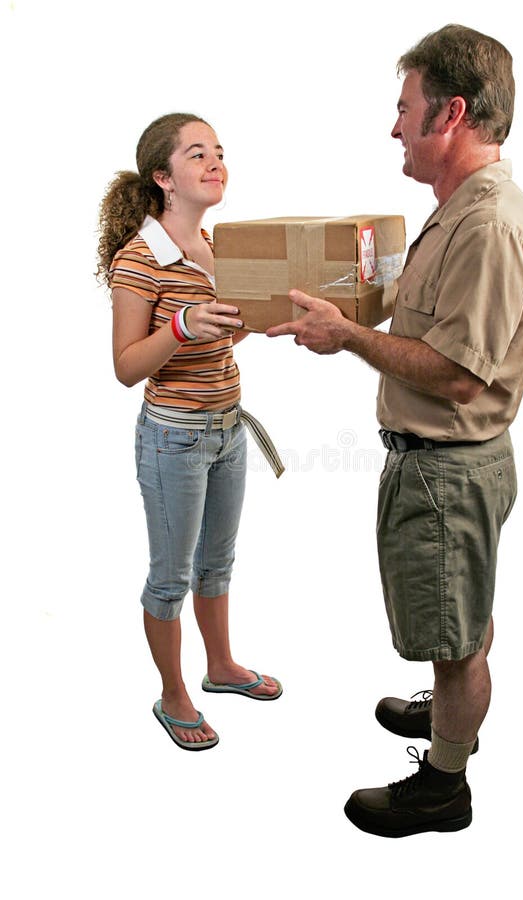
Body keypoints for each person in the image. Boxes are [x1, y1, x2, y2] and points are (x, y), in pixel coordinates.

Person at [267, 25, 523, 835]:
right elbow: (418, 314)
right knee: (461, 614)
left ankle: (444, 787)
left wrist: (349, 337)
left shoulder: (488, 228)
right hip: (444, 467)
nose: (395, 126)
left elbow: (461, 374)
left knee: (458, 639)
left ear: (450, 114)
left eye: (406, 109)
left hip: (447, 472)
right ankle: (447, 715)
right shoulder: (455, 211)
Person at [97, 113, 283, 752]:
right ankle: (173, 695)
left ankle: (221, 666)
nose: (215, 163)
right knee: (170, 577)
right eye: (197, 154)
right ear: (162, 177)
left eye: (220, 153)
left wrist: (251, 322)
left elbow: (224, 338)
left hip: (230, 430)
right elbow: (126, 367)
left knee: (218, 562)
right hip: (173, 439)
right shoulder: (140, 259)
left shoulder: (218, 247)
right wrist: (179, 328)